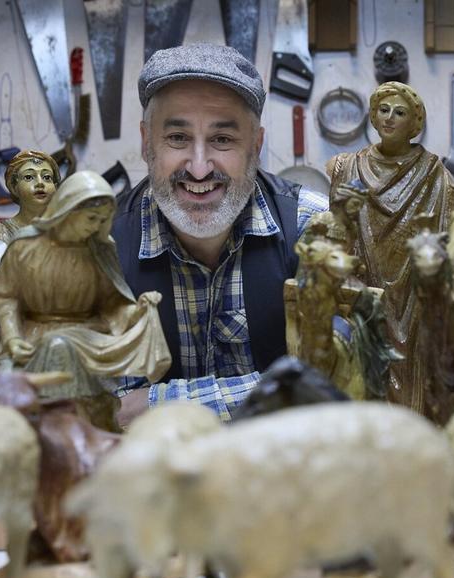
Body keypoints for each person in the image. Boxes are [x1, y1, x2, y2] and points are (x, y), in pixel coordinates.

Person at [112, 44, 327, 423]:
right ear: (147, 143)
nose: (198, 168)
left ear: (255, 146)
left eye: (222, 140)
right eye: (177, 138)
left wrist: (157, 403)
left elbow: (335, 379)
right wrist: (271, 391)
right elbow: (92, 403)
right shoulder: (99, 247)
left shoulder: (315, 229)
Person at [325, 82, 454, 414]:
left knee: (417, 362)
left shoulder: (434, 173)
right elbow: (336, 230)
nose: (389, 118)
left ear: (415, 124)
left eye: (400, 112)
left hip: (415, 288)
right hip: (364, 285)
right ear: (373, 116)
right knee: (365, 362)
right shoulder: (345, 167)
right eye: (383, 110)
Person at [0, 171, 170, 431]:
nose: (94, 227)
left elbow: (112, 304)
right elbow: (6, 296)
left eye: (101, 220)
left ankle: (86, 435)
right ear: (68, 209)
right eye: (90, 219)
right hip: (34, 336)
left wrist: (139, 310)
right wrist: (11, 337)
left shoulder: (99, 249)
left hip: (90, 336)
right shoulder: (25, 246)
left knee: (71, 359)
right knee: (56, 351)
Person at [0, 150, 59, 275]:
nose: (40, 183)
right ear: (14, 187)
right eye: (29, 177)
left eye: (47, 177)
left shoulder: (66, 227)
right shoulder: (2, 231)